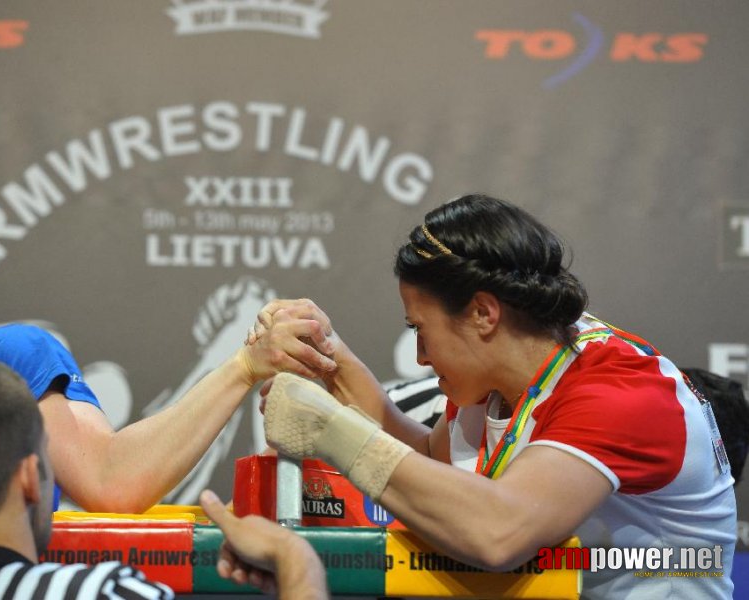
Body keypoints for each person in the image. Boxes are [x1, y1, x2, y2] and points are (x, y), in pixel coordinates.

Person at [252, 194, 737, 598]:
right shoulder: (501, 368)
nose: (421, 356)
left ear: (483, 313)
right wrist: (328, 357)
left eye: (421, 329)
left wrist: (331, 428)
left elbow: (497, 533)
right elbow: (430, 465)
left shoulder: (620, 390)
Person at [0, 322, 335, 599]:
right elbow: (112, 481)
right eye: (46, 459)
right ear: (29, 477)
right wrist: (295, 559)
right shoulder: (18, 350)